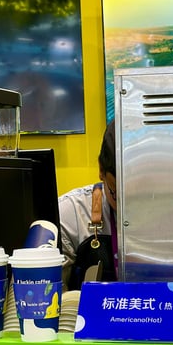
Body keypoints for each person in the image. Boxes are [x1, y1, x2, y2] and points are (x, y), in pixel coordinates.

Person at [58, 119, 118, 290]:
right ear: (101, 171)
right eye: (118, 195)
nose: (129, 208)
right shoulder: (71, 213)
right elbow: (51, 297)